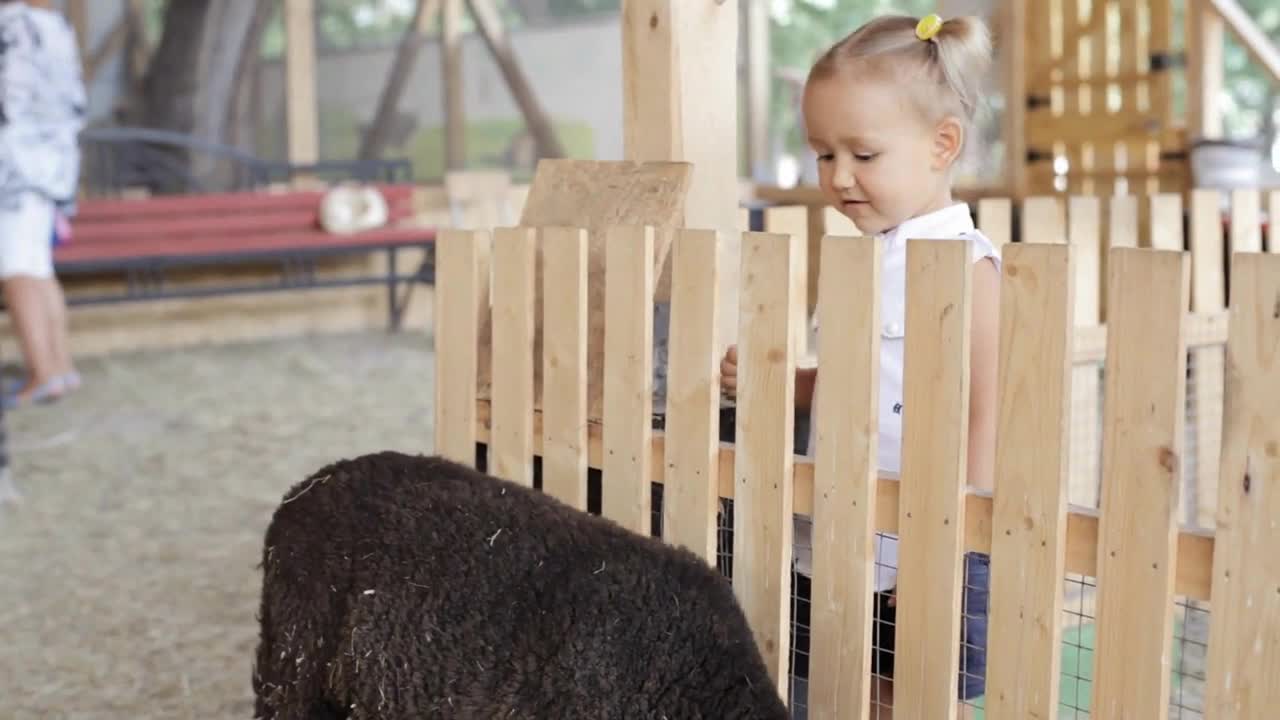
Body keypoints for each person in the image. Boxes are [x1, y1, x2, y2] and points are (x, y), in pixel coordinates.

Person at [720, 13, 1000, 718]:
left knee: (923, 699)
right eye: (822, 154)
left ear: (942, 145)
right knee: (853, 693)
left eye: (864, 156)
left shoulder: (971, 268)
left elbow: (987, 415)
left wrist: (948, 549)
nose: (838, 177)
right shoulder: (862, 259)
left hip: (928, 541)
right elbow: (862, 382)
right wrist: (784, 385)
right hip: (842, 532)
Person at [0, 0, 86, 409]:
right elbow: (74, 105)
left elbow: (7, 104)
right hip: (50, 165)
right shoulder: (57, 27)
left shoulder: (12, 24)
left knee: (15, 270)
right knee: (37, 267)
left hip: (12, 170)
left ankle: (42, 373)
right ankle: (61, 366)